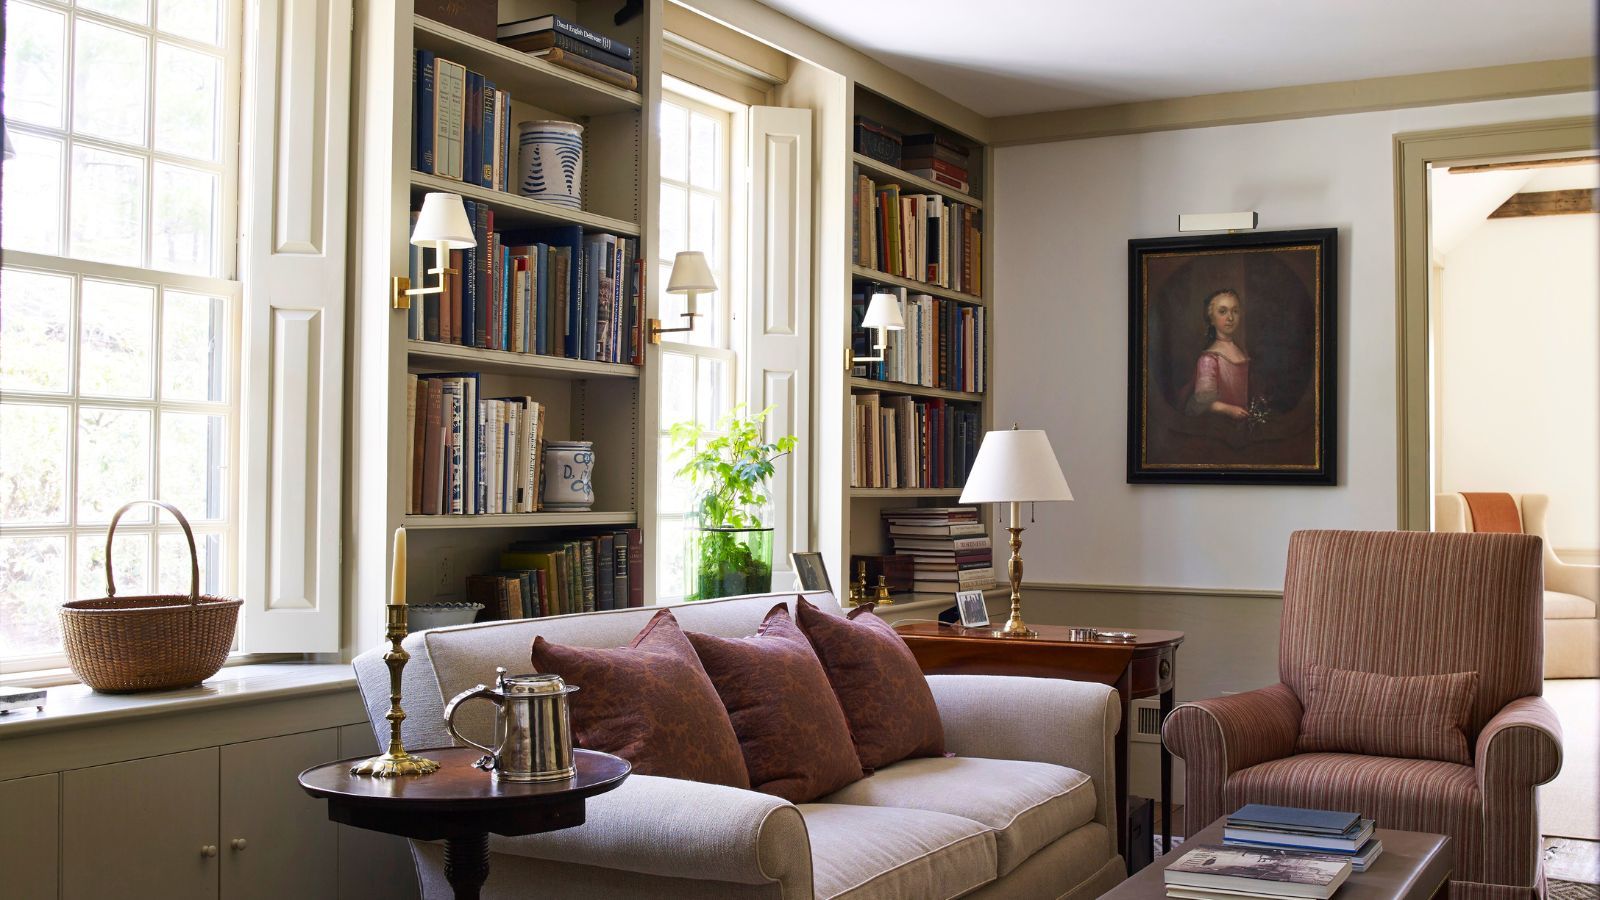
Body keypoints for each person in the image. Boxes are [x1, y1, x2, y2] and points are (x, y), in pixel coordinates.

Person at [1184, 289, 1250, 421]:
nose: (1230, 318)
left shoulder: (1242, 351)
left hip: (1244, 420)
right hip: (1220, 423)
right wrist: (1229, 409)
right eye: (1223, 311)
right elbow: (1203, 403)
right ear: (1211, 319)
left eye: (1235, 311)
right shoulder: (1209, 359)